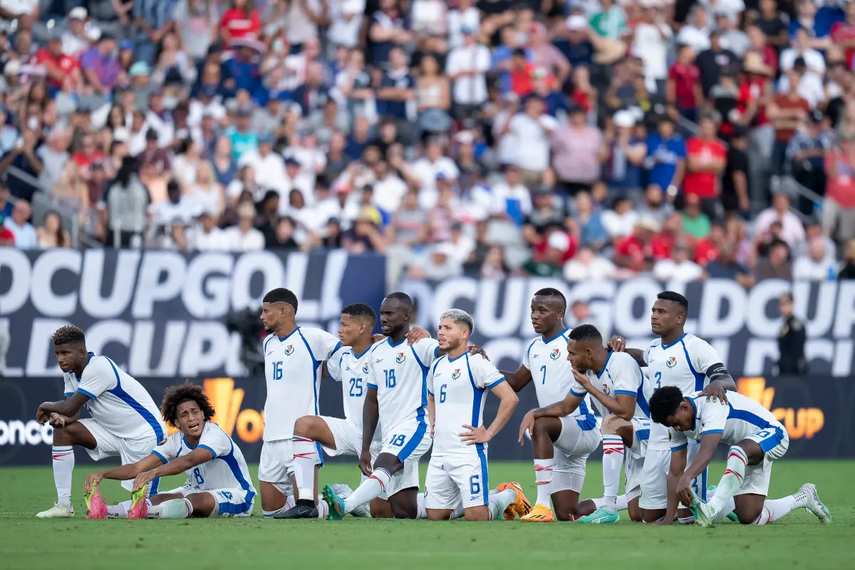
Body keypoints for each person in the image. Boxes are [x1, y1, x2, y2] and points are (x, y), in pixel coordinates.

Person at [609, 291, 736, 524]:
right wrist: (621, 348)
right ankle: (710, 496)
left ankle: (722, 500)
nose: (654, 316)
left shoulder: (696, 347)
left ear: (679, 319)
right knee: (645, 516)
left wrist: (718, 383)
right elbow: (643, 357)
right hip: (657, 442)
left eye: (661, 312)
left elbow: (727, 379)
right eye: (653, 311)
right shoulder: (655, 348)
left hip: (685, 440)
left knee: (689, 518)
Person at [322, 293, 440, 520]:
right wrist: (365, 448)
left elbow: (446, 351)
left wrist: (468, 348)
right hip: (389, 434)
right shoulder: (377, 351)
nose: (383, 318)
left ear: (406, 316)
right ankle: (497, 499)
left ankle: (344, 505)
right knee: (402, 511)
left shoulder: (420, 344)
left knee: (384, 463)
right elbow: (371, 400)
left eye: (389, 313)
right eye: (382, 313)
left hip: (415, 425)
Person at [649, 386, 831, 526]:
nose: (677, 429)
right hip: (746, 450)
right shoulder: (678, 425)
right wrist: (668, 517)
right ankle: (804, 497)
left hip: (773, 434)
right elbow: (675, 471)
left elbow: (707, 451)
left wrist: (687, 477)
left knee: (736, 451)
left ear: (684, 406)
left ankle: (712, 508)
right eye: (671, 426)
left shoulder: (711, 405)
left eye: (676, 423)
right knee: (750, 517)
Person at [33, 326, 166, 518]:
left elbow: (69, 407)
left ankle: (110, 511)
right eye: (57, 353)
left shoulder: (99, 367)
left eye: (65, 353)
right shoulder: (70, 372)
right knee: (64, 431)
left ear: (81, 352)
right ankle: (64, 506)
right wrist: (60, 418)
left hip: (144, 435)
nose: (60, 359)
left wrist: (46, 406)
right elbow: (72, 413)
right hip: (112, 432)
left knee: (144, 506)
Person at [82, 384, 255, 519]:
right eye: (184, 414)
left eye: (195, 412)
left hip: (238, 494)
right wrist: (103, 473)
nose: (191, 418)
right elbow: (137, 468)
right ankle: (108, 512)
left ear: (203, 414)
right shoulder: (175, 441)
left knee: (196, 500)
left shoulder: (215, 435)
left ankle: (146, 513)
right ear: (177, 422)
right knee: (159, 498)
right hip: (196, 488)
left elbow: (191, 459)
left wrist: (154, 472)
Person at [501, 288, 599, 522]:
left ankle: (541, 505)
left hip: (581, 426)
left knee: (540, 423)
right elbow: (515, 382)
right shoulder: (534, 347)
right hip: (560, 439)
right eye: (533, 310)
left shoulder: (573, 343)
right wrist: (483, 365)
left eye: (542, 310)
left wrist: (617, 347)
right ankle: (620, 504)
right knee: (569, 515)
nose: (535, 315)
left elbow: (603, 361)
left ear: (559, 314)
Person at [288, 304, 390, 519]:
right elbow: (326, 371)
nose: (339, 330)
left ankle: (349, 497)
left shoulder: (384, 352)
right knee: (304, 425)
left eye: (344, 324)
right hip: (352, 430)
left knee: (382, 513)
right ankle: (305, 502)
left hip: (383, 439)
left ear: (362, 327)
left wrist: (421, 333)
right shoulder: (342, 355)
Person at [425, 309, 527, 521]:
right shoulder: (436, 365)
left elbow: (510, 398)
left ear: (464, 334)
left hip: (467, 452)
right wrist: (432, 420)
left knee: (477, 517)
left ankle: (510, 493)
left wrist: (488, 433)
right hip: (440, 452)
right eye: (440, 327)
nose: (440, 333)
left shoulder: (477, 363)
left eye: (447, 328)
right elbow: (431, 396)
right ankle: (479, 498)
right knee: (435, 515)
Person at [257, 288, 340, 519]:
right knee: (271, 512)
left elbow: (349, 350)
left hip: (299, 438)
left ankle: (344, 499)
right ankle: (330, 500)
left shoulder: (313, 338)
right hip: (270, 437)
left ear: (284, 311)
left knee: (307, 510)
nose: (262, 316)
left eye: (266, 311)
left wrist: (375, 342)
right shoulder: (268, 344)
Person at [556, 324, 651, 524]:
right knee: (639, 515)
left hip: (655, 432)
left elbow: (626, 411)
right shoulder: (587, 372)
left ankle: (608, 505)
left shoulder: (620, 362)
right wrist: (534, 414)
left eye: (572, 353)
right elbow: (566, 407)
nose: (568, 358)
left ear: (588, 352)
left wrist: (590, 388)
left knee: (610, 422)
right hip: (634, 440)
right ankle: (714, 499)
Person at [777, 293, 807, 375]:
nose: (783, 307)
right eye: (781, 304)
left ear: (791, 304)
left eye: (785, 304)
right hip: (784, 370)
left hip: (794, 371)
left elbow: (797, 348)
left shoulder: (796, 325)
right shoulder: (784, 326)